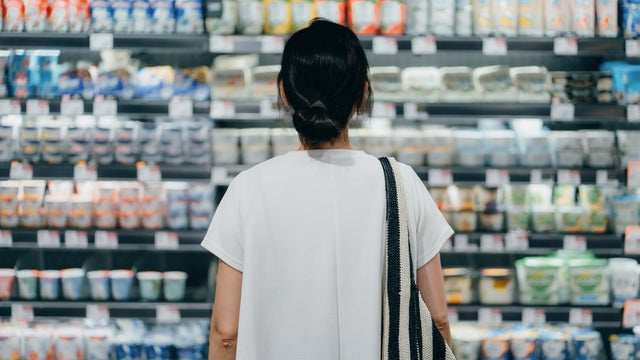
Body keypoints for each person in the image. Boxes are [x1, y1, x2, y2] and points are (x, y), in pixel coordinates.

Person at [201, 19, 454, 360]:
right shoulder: (401, 183)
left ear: (283, 92)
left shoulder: (248, 189)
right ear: (362, 94)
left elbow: (226, 333)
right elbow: (436, 319)